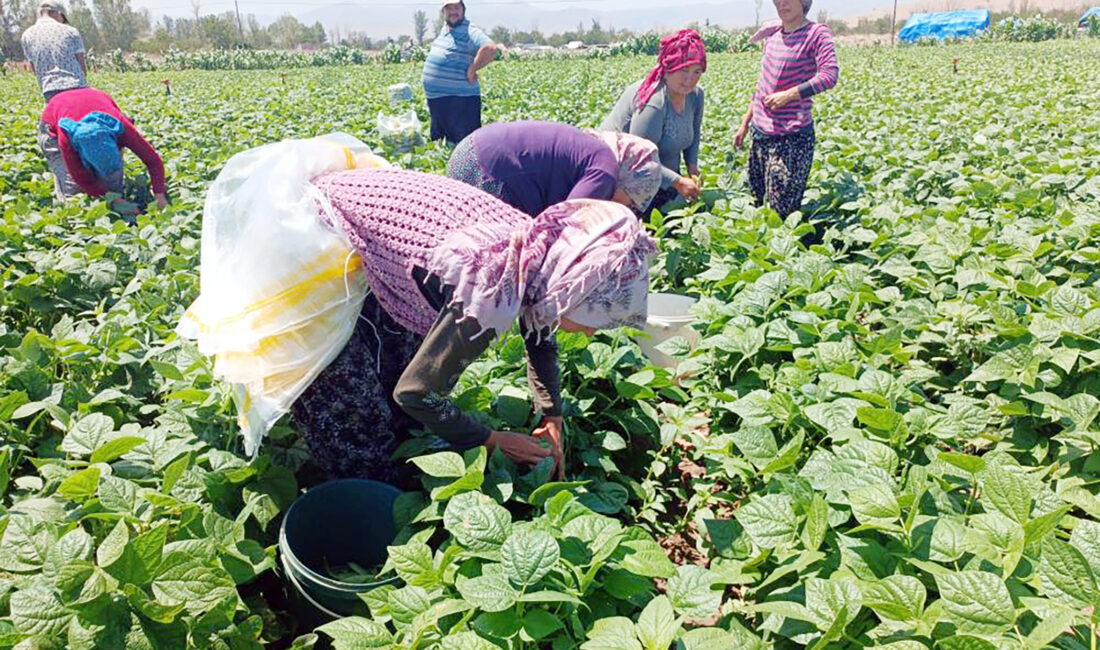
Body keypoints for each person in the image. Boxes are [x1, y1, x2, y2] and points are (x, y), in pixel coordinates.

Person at [291, 168, 655, 486]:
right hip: (313, 233)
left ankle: (402, 449)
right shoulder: (490, 293)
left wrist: (551, 412)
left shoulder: (540, 250)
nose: (592, 334)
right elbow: (415, 392)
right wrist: (490, 439)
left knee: (397, 360)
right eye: (595, 320)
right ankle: (359, 486)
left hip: (374, 226)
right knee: (350, 408)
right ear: (571, 289)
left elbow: (538, 330)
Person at [734, 0, 839, 218]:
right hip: (761, 134)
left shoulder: (816, 34)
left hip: (791, 139)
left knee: (780, 212)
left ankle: (781, 250)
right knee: (756, 202)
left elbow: (829, 76)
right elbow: (763, 83)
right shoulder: (773, 36)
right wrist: (745, 122)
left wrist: (789, 95)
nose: (782, 3)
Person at [446, 120, 662, 217]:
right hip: (485, 170)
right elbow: (564, 225)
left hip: (470, 148)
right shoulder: (604, 170)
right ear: (631, 180)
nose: (627, 207)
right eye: (633, 199)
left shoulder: (592, 146)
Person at [601, 29, 706, 213]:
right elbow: (639, 159)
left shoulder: (695, 95)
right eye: (683, 70)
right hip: (623, 174)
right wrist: (677, 181)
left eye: (697, 72)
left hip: (662, 173)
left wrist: (692, 167)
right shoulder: (654, 102)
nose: (690, 79)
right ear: (668, 68)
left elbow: (694, 134)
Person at [38, 87, 168, 209]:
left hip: (92, 103)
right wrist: (111, 200)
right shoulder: (66, 138)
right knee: (74, 193)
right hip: (53, 123)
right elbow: (80, 177)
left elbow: (153, 160)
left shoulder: (122, 128)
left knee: (112, 186)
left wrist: (159, 195)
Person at [421, 0, 498, 145]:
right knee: (442, 146)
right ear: (443, 12)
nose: (453, 12)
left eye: (456, 8)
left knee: (464, 148)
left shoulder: (469, 29)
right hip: (439, 100)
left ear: (463, 10)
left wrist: (472, 69)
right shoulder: (446, 28)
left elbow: (490, 48)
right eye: (448, 9)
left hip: (460, 101)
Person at [21, 0, 87, 102]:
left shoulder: (27, 35)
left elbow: (34, 67)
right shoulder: (71, 31)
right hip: (77, 85)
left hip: (50, 89)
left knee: (59, 116)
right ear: (59, 14)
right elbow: (81, 63)